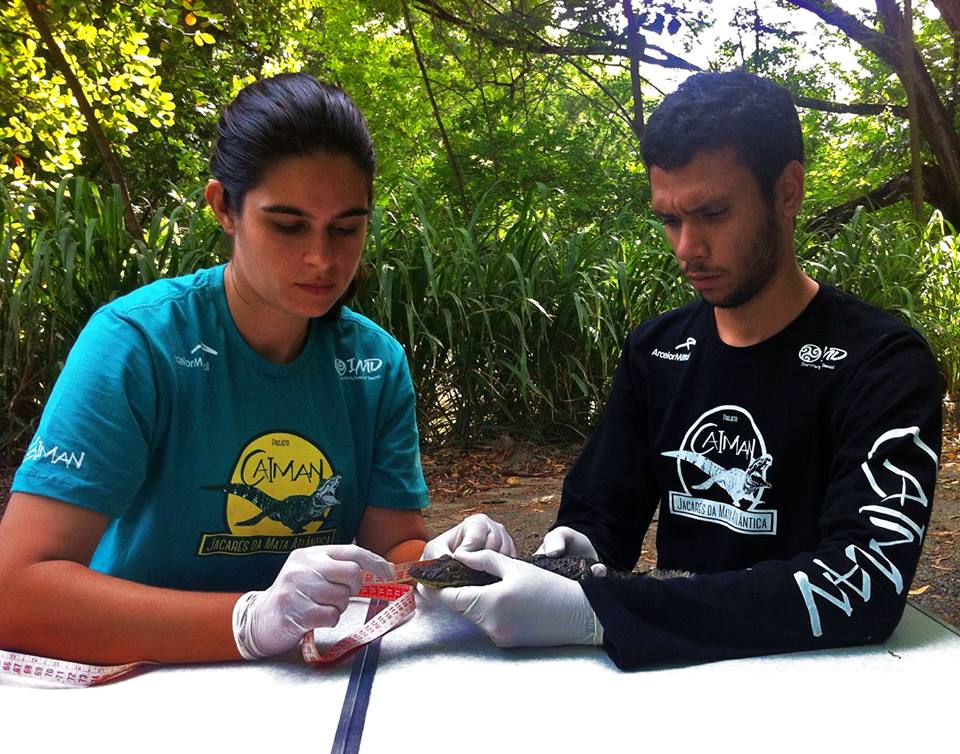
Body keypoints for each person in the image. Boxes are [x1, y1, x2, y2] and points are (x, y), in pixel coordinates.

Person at [418, 71, 943, 668]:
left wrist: (601, 612)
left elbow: (861, 586)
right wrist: (548, 560)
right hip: (674, 682)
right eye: (670, 219)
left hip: (830, 679)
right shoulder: (657, 349)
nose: (687, 247)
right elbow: (602, 513)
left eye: (713, 213)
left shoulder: (881, 362)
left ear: (788, 191)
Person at [0, 73, 431, 664]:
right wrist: (249, 621)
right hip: (141, 678)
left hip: (308, 689)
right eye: (288, 225)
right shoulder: (137, 343)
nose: (322, 259)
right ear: (223, 207)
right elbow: (17, 593)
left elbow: (394, 547)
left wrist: (445, 565)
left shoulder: (375, 363)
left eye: (347, 228)